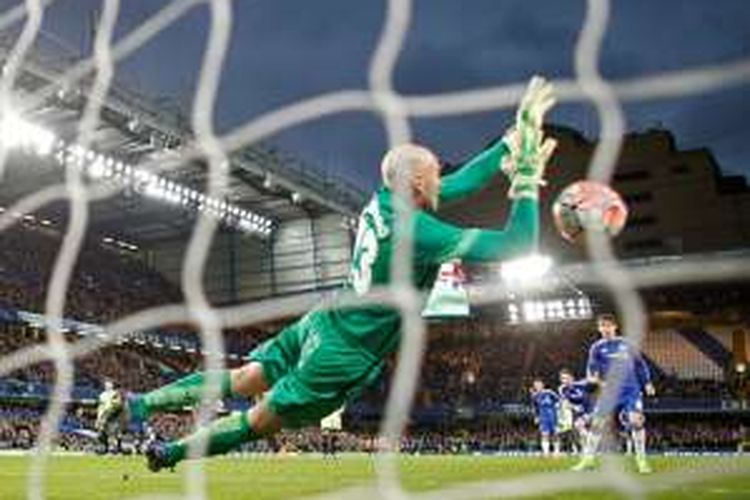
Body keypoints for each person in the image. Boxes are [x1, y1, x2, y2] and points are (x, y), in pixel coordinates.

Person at [100, 76, 558, 472]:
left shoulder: (383, 197)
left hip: (325, 317)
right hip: (345, 350)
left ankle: (140, 404)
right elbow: (517, 245)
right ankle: (171, 454)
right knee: (259, 419)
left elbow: (453, 186)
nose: (444, 179)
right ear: (419, 185)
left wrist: (509, 142)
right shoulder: (417, 232)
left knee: (243, 378)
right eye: (436, 172)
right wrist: (525, 180)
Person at [572, 313, 656, 474]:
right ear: (599, 329)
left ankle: (642, 461)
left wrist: (647, 382)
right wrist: (595, 380)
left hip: (630, 390)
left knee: (636, 421)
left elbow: (640, 365)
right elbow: (592, 372)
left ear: (615, 327)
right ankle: (588, 460)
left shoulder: (627, 343)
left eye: (608, 325)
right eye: (602, 326)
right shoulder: (596, 348)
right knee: (597, 423)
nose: (605, 328)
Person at [558, 368, 594, 454]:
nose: (564, 381)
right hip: (579, 412)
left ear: (572, 378)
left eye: (566, 378)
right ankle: (587, 448)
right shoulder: (562, 389)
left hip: (590, 408)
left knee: (579, 426)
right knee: (578, 428)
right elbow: (566, 403)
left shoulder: (581, 384)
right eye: (562, 378)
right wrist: (574, 407)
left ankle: (591, 442)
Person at [530, 378, 560, 457]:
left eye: (539, 385)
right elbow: (534, 407)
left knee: (555, 434)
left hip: (553, 416)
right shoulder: (534, 396)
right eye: (536, 385)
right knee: (544, 434)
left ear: (542, 385)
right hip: (543, 417)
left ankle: (556, 451)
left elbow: (558, 400)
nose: (537, 386)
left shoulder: (549, 392)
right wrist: (536, 417)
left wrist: (558, 408)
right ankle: (546, 452)